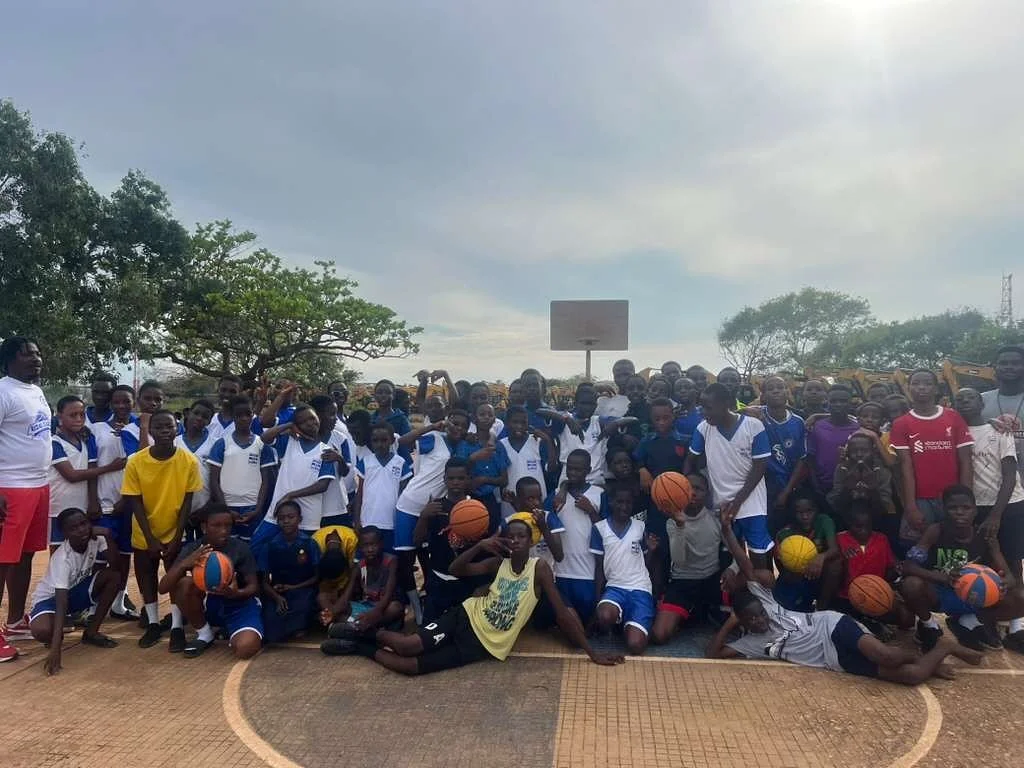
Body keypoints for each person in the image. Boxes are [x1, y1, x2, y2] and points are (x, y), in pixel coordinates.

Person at [708, 505, 983, 684]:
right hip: (833, 660)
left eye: (759, 614)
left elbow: (744, 562)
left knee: (886, 656)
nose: (760, 621)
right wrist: (733, 621)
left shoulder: (765, 602)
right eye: (752, 621)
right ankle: (943, 649)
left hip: (831, 627)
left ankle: (929, 655)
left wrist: (726, 530)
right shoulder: (751, 643)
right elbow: (714, 654)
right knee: (911, 677)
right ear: (743, 624)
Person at [320, 519, 624, 673]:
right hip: (467, 616)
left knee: (411, 668)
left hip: (486, 645)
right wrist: (480, 545)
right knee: (408, 645)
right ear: (504, 539)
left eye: (522, 537)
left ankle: (358, 646)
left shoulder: (539, 568)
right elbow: (456, 568)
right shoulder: (497, 563)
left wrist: (591, 652)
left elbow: (562, 613)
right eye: (511, 536)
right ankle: (362, 632)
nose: (516, 541)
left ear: (531, 541)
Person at [899, 485, 1024, 654]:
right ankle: (929, 626)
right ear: (944, 510)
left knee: (1020, 597)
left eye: (966, 508)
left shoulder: (985, 536)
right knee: (911, 585)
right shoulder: (936, 531)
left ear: (974, 510)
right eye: (953, 508)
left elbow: (1009, 577)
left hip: (975, 596)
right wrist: (942, 578)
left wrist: (1003, 583)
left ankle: (969, 622)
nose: (959, 512)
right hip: (940, 593)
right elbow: (908, 566)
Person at [122, 409, 204, 650]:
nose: (165, 431)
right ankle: (154, 623)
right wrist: (150, 538)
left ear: (177, 428)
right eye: (159, 427)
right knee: (146, 576)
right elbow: (134, 501)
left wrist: (178, 536)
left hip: (174, 530)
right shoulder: (136, 461)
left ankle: (177, 626)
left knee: (176, 577)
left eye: (169, 426)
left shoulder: (188, 461)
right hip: (145, 531)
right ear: (151, 431)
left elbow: (188, 502)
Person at [954, 385, 1024, 652]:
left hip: (1009, 504)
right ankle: (987, 621)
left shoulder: (998, 431)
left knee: (1013, 564)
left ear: (981, 404)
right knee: (983, 567)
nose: (964, 402)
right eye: (959, 399)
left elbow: (1009, 475)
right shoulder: (954, 431)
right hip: (975, 506)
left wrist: (996, 514)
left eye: (970, 397)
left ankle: (1018, 623)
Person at [0, 337, 51, 657]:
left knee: (25, 556)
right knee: (2, 561)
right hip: (11, 487)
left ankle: (16, 620)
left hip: (39, 484)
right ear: (9, 359)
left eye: (38, 353)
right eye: (28, 354)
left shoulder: (36, 391)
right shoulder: (3, 391)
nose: (36, 359)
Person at [686, 383, 773, 570]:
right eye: (702, 407)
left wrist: (738, 501)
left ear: (726, 403)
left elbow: (760, 468)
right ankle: (740, 596)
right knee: (732, 554)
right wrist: (685, 490)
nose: (703, 412)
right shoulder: (703, 429)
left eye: (708, 407)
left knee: (758, 552)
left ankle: (763, 594)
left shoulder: (753, 426)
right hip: (722, 502)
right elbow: (690, 460)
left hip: (751, 501)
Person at [159, 504, 263, 659]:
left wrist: (236, 593)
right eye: (217, 525)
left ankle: (232, 632)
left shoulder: (240, 548)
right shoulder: (194, 549)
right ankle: (205, 634)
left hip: (239, 605)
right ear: (204, 527)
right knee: (184, 583)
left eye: (228, 526)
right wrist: (184, 564)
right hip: (210, 604)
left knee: (245, 649)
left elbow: (254, 586)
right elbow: (163, 588)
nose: (223, 530)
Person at [28, 508, 121, 674]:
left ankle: (91, 632)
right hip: (51, 599)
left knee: (113, 576)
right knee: (41, 630)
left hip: (75, 592)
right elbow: (61, 602)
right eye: (73, 528)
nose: (81, 530)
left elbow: (115, 566)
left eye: (84, 524)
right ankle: (53, 635)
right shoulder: (62, 559)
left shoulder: (96, 538)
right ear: (65, 534)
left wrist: (107, 534)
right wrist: (56, 650)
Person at [889, 370, 973, 545]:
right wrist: (910, 506)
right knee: (917, 546)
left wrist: (966, 500)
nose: (922, 388)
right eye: (916, 383)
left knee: (952, 544)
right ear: (908, 388)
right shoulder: (901, 424)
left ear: (936, 388)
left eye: (927, 383)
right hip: (920, 499)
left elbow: (965, 461)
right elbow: (906, 467)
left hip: (952, 498)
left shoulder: (953, 417)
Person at [415, 458, 500, 622]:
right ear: (444, 480)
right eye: (451, 478)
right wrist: (423, 517)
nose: (456, 482)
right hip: (440, 578)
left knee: (467, 630)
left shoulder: (481, 507)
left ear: (469, 479)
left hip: (471, 580)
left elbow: (490, 542)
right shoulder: (435, 507)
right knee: (430, 631)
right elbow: (418, 541)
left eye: (461, 478)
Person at [250, 405, 336, 553]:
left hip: (308, 517)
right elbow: (265, 438)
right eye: (303, 422)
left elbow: (322, 485)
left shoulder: (326, 451)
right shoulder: (289, 442)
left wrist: (291, 495)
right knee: (256, 546)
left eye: (312, 418)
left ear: (318, 419)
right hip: (278, 512)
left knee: (302, 557)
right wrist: (289, 425)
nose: (309, 423)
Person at [651, 473, 726, 644]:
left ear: (707, 493)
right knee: (659, 635)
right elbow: (679, 560)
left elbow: (736, 549)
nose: (693, 493)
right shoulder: (673, 521)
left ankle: (701, 611)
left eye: (698, 489)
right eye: (689, 488)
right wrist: (680, 525)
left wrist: (732, 569)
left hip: (712, 580)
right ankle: (692, 612)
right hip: (683, 581)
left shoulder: (715, 517)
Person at [48, 396, 123, 550]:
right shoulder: (54, 443)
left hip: (81, 509)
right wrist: (109, 468)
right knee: (59, 553)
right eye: (72, 415)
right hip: (59, 509)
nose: (78, 419)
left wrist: (92, 500)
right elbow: (72, 475)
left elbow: (90, 469)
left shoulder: (85, 440)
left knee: (80, 553)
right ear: (59, 416)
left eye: (82, 415)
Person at [591, 484, 657, 655]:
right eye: (619, 502)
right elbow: (599, 566)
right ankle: (622, 620)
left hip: (640, 588)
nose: (624, 506)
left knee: (636, 646)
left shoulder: (640, 526)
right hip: (615, 588)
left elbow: (645, 563)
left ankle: (630, 622)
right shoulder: (600, 528)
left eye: (628, 502)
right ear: (611, 503)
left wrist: (651, 550)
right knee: (604, 616)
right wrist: (598, 598)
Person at [832, 500, 914, 633]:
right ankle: (861, 622)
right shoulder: (840, 539)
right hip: (848, 596)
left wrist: (898, 568)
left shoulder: (881, 539)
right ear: (849, 524)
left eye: (867, 526)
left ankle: (868, 620)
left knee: (908, 619)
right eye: (858, 527)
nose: (863, 531)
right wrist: (843, 558)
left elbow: (893, 563)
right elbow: (833, 567)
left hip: (875, 593)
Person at [95, 384, 141, 620]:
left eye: (127, 401)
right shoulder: (97, 428)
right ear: (111, 404)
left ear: (134, 402)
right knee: (101, 554)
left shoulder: (140, 428)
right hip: (105, 501)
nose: (122, 406)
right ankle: (93, 604)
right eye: (117, 402)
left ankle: (118, 602)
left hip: (131, 503)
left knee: (125, 555)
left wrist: (128, 498)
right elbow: (91, 465)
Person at [320, 526, 405, 650]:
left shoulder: (391, 561)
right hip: (365, 608)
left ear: (381, 544)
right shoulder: (359, 566)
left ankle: (354, 633)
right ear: (360, 547)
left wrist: (372, 616)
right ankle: (365, 633)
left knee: (395, 608)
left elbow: (388, 595)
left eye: (373, 545)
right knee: (328, 601)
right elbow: (346, 597)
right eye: (365, 546)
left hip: (382, 608)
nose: (370, 549)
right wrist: (331, 613)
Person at [207, 395, 278, 541]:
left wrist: (258, 508)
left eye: (248, 414)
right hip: (227, 507)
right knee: (227, 547)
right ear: (233, 417)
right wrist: (225, 508)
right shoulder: (221, 444)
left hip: (252, 507)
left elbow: (266, 481)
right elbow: (214, 480)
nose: (244, 418)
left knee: (250, 549)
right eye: (239, 415)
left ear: (253, 415)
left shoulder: (261, 444)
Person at [744, 376, 807, 534]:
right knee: (765, 531)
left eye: (781, 387)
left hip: (789, 485)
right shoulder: (755, 417)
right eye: (770, 389)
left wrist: (787, 491)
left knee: (789, 533)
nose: (776, 391)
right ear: (763, 396)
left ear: (788, 392)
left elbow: (802, 459)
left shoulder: (798, 422)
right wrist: (744, 409)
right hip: (763, 486)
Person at [550, 450, 605, 623]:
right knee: (562, 618)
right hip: (561, 570)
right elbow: (544, 521)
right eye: (570, 468)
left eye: (578, 469)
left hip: (586, 571)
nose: (573, 473)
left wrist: (591, 511)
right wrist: (563, 488)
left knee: (587, 617)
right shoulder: (557, 494)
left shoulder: (599, 494)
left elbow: (607, 531)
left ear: (588, 470)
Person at [258, 500, 321, 643]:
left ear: (299, 519)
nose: (286, 521)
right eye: (281, 518)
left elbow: (317, 577)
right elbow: (264, 582)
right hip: (278, 592)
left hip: (303, 590)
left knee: (302, 612)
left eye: (290, 517)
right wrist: (276, 597)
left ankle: (300, 626)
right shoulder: (270, 545)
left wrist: (293, 587)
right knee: (272, 634)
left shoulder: (309, 543)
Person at [773, 491, 841, 611]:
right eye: (800, 513)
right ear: (793, 514)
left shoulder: (824, 521)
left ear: (817, 510)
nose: (805, 516)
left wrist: (820, 557)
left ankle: (822, 607)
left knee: (835, 564)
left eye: (809, 511)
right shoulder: (785, 533)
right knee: (787, 606)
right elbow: (780, 564)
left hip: (820, 572)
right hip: (797, 574)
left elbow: (834, 549)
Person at [353, 422, 413, 552]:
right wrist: (357, 520)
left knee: (389, 559)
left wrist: (401, 522)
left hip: (391, 522)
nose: (380, 444)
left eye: (384, 440)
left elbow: (403, 496)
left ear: (392, 441)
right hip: (368, 521)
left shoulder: (401, 463)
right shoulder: (365, 462)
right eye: (375, 441)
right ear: (371, 442)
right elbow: (360, 493)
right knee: (368, 559)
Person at [499, 406, 558, 517]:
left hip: (536, 501)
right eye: (515, 422)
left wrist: (548, 441)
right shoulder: (501, 445)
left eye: (523, 422)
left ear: (528, 423)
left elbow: (551, 468)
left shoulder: (537, 441)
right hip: (511, 500)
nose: (519, 426)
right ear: (507, 423)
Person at [806, 385, 859, 501]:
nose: (838, 404)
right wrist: (815, 484)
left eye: (843, 401)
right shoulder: (818, 427)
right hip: (822, 486)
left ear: (850, 404)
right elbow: (810, 459)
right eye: (834, 401)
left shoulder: (858, 429)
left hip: (850, 487)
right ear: (827, 403)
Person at [827, 432, 896, 520]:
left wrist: (873, 488)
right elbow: (835, 505)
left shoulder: (882, 471)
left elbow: (885, 508)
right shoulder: (842, 468)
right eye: (854, 451)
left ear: (873, 451)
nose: (859, 454)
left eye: (864, 450)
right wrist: (847, 488)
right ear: (848, 452)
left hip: (878, 519)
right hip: (846, 517)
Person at [175, 398, 218, 539]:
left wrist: (209, 505)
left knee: (204, 551)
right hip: (178, 508)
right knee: (179, 552)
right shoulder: (175, 442)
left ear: (210, 421)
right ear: (188, 413)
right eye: (196, 413)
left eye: (205, 416)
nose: (199, 418)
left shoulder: (215, 443)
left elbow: (217, 478)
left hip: (205, 507)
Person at [982, 346, 1024, 485]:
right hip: (992, 483)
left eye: (1016, 363)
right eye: (1003, 363)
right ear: (995, 367)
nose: (1009, 367)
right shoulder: (980, 401)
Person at [312, 394, 352, 526]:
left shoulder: (341, 439)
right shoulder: (303, 439)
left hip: (336, 505)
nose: (335, 419)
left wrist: (339, 458)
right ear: (317, 415)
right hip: (311, 504)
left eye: (336, 414)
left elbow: (345, 471)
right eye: (331, 414)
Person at [313, 523, 360, 625]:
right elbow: (315, 574)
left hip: (348, 582)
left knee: (346, 599)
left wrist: (344, 592)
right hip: (324, 584)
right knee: (321, 598)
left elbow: (354, 571)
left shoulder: (352, 539)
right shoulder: (314, 542)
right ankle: (340, 621)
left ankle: (334, 619)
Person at [671, 377, 702, 444]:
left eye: (687, 388)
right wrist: (671, 419)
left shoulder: (704, 413)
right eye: (678, 389)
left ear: (696, 392)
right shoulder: (671, 414)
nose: (683, 391)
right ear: (674, 395)